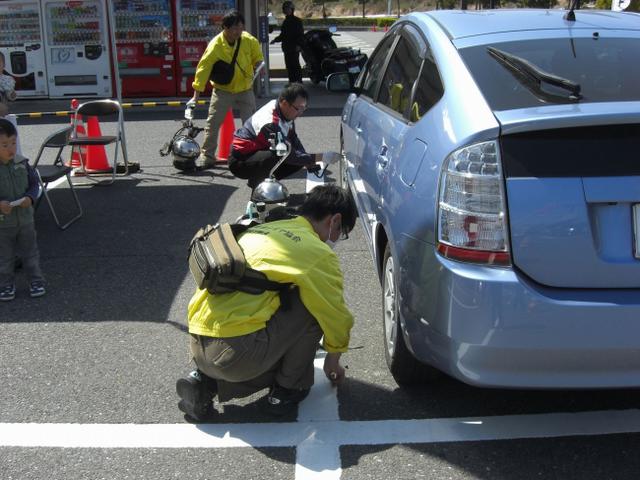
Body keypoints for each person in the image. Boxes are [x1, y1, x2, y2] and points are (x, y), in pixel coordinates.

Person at [176, 184, 357, 421]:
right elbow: (335, 313)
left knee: (274, 297)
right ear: (334, 220)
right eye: (341, 232)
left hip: (198, 343)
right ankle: (286, 391)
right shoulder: (316, 251)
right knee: (312, 306)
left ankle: (206, 383)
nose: (336, 239)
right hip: (235, 356)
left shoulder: (264, 228)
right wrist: (333, 359)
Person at [189, 10, 264, 170]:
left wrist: (259, 65)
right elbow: (203, 69)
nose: (238, 31)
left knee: (252, 124)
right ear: (224, 27)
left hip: (245, 89)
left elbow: (258, 58)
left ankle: (254, 154)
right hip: (222, 90)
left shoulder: (249, 40)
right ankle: (207, 157)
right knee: (213, 123)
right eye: (234, 28)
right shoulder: (215, 45)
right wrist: (196, 94)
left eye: (240, 27)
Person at [228, 82, 317, 190]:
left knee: (299, 158)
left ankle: (261, 182)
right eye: (298, 108)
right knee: (281, 153)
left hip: (257, 152)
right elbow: (285, 153)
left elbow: (293, 139)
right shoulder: (270, 122)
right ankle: (260, 190)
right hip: (240, 160)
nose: (301, 112)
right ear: (284, 103)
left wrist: (308, 160)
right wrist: (319, 157)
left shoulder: (283, 110)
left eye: (304, 108)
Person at [0, 119, 45, 301]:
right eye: (4, 145)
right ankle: (5, 284)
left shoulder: (22, 162)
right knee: (5, 257)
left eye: (13, 143)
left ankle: (36, 281)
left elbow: (35, 183)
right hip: (3, 224)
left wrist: (30, 197)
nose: (11, 148)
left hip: (25, 219)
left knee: (30, 253)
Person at [270, 1, 304, 84]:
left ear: (292, 9)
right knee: (289, 66)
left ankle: (298, 82)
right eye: (284, 9)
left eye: (287, 8)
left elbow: (301, 35)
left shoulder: (297, 21)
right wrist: (275, 40)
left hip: (294, 48)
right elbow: (283, 35)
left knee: (295, 65)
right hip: (286, 48)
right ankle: (291, 82)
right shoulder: (285, 21)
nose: (285, 10)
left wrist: (299, 45)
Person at [0, 52, 21, 156]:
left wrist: (12, 95)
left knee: (7, 140)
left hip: (5, 117)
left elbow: (10, 95)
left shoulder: (7, 80)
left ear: (3, 65)